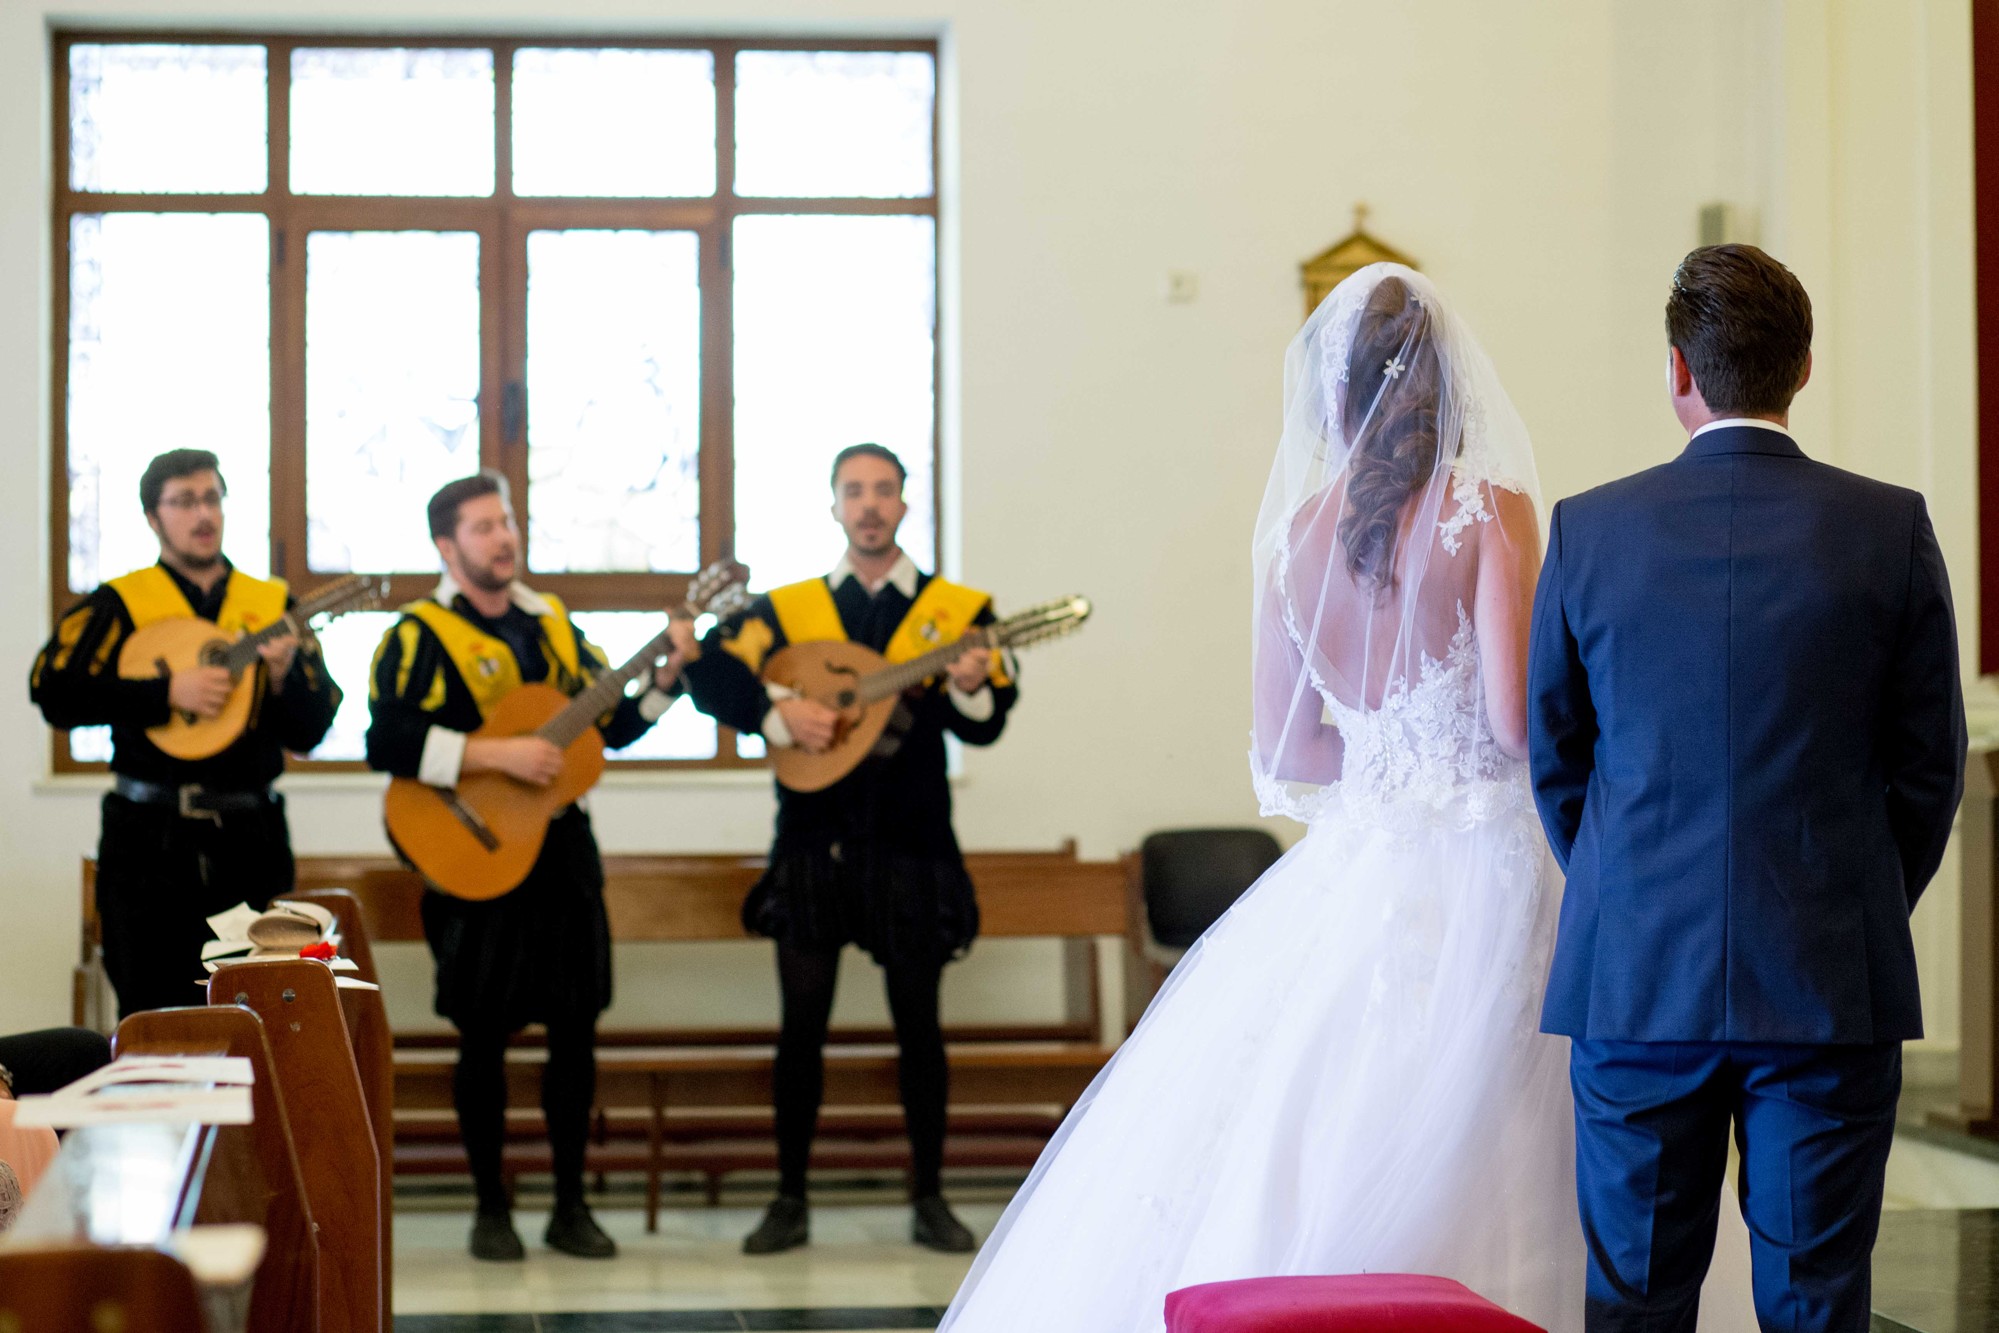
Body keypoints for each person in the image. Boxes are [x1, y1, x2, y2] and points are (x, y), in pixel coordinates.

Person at [937, 266, 1755, 1333]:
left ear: (1336, 395)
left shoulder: (1295, 538)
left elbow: (1293, 747)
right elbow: (1515, 724)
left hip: (1355, 863)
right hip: (1489, 859)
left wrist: (1385, 756)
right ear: (1446, 387)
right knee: (1512, 1110)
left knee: (1315, 1104)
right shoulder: (1487, 509)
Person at [1529, 244, 1967, 1333]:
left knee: (1633, 1302)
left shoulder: (1589, 529)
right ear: (1803, 367)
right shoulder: (1888, 526)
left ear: (1677, 370)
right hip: (1824, 976)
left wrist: (1629, 882)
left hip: (1638, 976)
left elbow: (1556, 754)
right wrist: (1850, 894)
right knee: (1816, 1303)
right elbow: (1928, 765)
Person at [680, 443, 1016, 1255]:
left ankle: (929, 1196)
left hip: (914, 842)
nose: (869, 504)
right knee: (800, 1025)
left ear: (903, 504)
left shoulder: (958, 610)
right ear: (834, 506)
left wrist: (971, 684)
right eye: (854, 491)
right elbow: (708, 676)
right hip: (813, 841)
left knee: (919, 1025)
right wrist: (777, 715)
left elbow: (986, 722)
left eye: (883, 490)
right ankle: (788, 1197)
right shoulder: (784, 610)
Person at [364, 471, 697, 1263]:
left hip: (562, 859)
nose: (502, 537)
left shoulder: (553, 624)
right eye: (483, 526)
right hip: (473, 856)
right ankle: (490, 1208)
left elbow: (610, 728)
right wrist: (495, 754)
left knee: (575, 1034)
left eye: (507, 521)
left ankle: (571, 1206)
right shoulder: (417, 635)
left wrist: (664, 680)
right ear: (447, 545)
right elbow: (387, 740)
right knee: (482, 1037)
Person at [31, 448, 340, 1018]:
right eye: (184, 501)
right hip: (146, 844)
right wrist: (164, 693)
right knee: (153, 1014)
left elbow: (313, 729)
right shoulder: (122, 604)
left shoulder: (270, 605)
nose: (203, 514)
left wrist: (281, 677)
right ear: (153, 517)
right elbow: (53, 691)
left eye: (212, 498)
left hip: (250, 840)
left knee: (259, 1013)